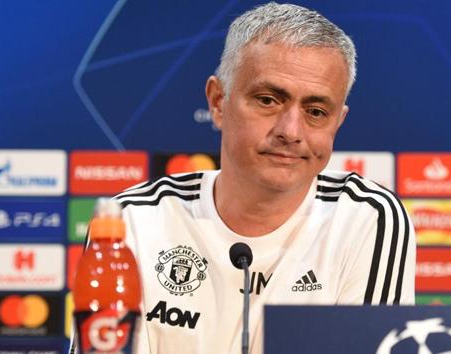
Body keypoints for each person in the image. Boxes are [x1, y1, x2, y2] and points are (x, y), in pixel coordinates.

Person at [77, 2, 415, 353]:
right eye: (268, 100)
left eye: (316, 112)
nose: (290, 131)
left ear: (338, 122)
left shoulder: (367, 218)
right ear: (218, 102)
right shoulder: (133, 219)